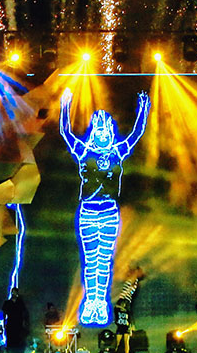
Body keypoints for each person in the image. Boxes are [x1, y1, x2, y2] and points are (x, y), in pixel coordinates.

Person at [59, 88, 150, 326]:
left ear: (110, 132)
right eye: (98, 129)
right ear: (94, 132)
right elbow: (65, 132)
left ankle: (101, 302)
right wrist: (65, 107)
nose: (103, 133)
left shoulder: (118, 152)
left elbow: (136, 134)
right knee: (91, 260)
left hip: (109, 212)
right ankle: (91, 302)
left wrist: (143, 111)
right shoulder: (84, 152)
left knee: (104, 260)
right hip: (88, 212)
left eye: (106, 129)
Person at [112, 266, 143, 353]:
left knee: (126, 342)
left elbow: (132, 289)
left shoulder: (126, 304)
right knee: (119, 342)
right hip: (122, 324)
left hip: (125, 324)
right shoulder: (121, 304)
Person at [3, 288, 30, 353]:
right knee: (10, 338)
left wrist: (24, 322)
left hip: (19, 323)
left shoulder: (20, 302)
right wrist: (4, 322)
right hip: (10, 322)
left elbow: (24, 313)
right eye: (13, 292)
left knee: (19, 338)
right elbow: (4, 313)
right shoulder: (7, 303)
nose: (14, 294)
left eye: (15, 292)